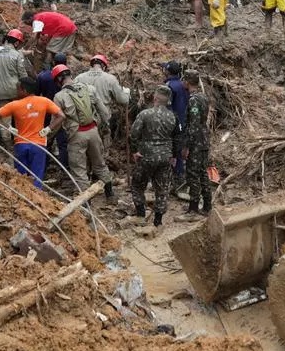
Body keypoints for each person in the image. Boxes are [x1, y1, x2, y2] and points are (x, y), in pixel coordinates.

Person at [52, 64, 114, 198]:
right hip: (93, 131)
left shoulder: (59, 96)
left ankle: (86, 204)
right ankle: (110, 195)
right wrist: (105, 127)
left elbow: (57, 122)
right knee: (99, 164)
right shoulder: (90, 89)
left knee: (79, 170)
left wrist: (49, 136)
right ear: (70, 75)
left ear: (58, 80)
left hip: (76, 136)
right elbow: (104, 112)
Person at [0, 76, 65, 188]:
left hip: (21, 144)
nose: (16, 91)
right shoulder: (44, 101)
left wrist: (8, 127)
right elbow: (61, 116)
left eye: (18, 89)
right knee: (36, 177)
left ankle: (24, 198)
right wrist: (48, 129)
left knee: (21, 178)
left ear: (24, 90)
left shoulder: (14, 104)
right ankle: (37, 200)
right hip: (38, 145)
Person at [129, 85, 178, 226]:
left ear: (155, 98)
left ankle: (140, 214)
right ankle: (158, 220)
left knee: (137, 184)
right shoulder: (172, 116)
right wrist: (172, 155)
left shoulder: (145, 114)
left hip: (146, 156)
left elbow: (133, 134)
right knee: (162, 189)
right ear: (167, 100)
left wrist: (134, 151)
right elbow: (175, 138)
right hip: (165, 157)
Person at [0, 29, 33, 144]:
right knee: (19, 119)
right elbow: (23, 76)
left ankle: (4, 146)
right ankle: (16, 144)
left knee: (4, 122)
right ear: (16, 43)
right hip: (15, 92)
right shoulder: (17, 55)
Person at [75, 54, 129, 138]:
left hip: (82, 118)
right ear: (103, 66)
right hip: (102, 118)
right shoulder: (110, 78)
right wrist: (126, 93)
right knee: (103, 145)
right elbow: (123, 100)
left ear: (92, 64)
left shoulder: (79, 78)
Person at [182, 69, 212, 214]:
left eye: (184, 80)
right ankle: (207, 205)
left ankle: (193, 208)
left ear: (187, 82)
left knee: (193, 173)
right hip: (204, 139)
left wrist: (187, 146)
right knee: (202, 172)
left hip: (196, 142)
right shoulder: (203, 97)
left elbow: (193, 125)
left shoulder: (193, 99)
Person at [37, 52, 70, 168]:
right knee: (63, 141)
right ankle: (64, 168)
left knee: (46, 138)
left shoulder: (43, 76)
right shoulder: (68, 78)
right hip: (62, 112)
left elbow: (36, 94)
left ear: (53, 62)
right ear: (65, 64)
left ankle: (43, 165)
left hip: (46, 110)